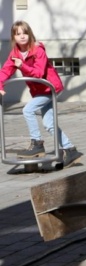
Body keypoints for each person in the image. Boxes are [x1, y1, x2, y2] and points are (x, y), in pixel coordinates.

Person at [0, 20, 79, 165]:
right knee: (49, 124)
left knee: (28, 110)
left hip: (50, 88)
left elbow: (38, 73)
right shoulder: (15, 53)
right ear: (13, 37)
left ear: (30, 34)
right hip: (39, 90)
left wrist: (22, 66)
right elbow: (5, 71)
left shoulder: (38, 50)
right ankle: (70, 150)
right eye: (18, 34)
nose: (22, 36)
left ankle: (37, 143)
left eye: (25, 33)